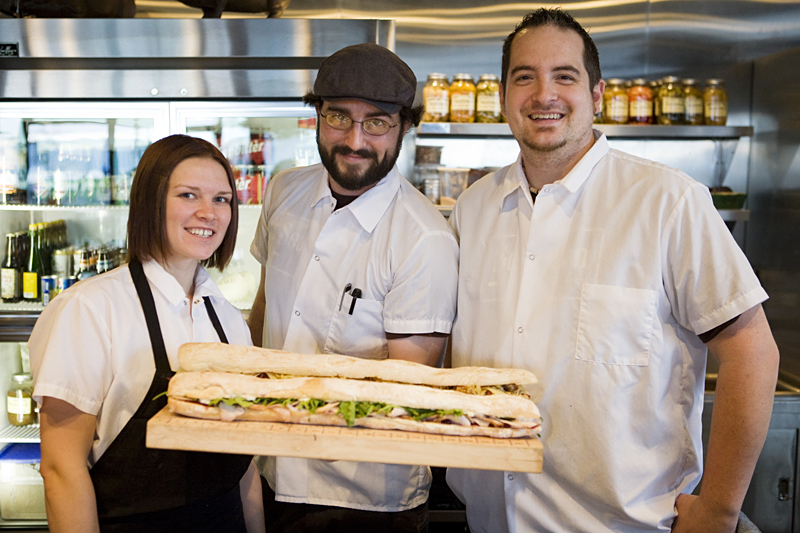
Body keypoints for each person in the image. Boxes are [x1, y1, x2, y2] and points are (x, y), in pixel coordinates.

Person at [446, 8, 780, 533]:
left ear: (597, 93)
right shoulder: (474, 207)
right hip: (488, 519)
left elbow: (752, 350)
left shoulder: (668, 201)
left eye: (565, 76)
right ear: (505, 95)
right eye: (524, 77)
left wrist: (719, 510)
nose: (543, 95)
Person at [247, 43, 459, 533]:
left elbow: (405, 394)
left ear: (407, 126)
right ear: (317, 116)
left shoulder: (423, 239)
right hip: (264, 467)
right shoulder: (284, 191)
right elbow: (264, 310)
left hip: (360, 496)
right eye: (339, 117)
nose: (355, 140)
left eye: (377, 122)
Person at [30, 134, 265, 533]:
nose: (208, 212)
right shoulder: (90, 309)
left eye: (222, 199)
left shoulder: (228, 320)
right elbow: (61, 469)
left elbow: (243, 469)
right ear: (150, 201)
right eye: (189, 195)